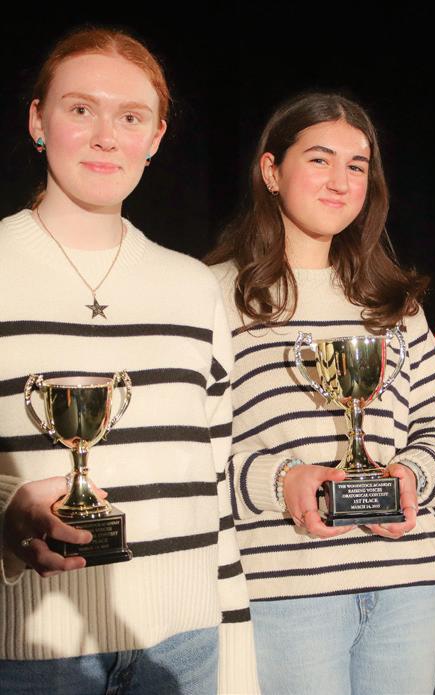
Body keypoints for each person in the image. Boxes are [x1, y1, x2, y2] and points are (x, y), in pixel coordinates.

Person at [0, 27, 257, 694]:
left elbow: (215, 484)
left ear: (156, 137)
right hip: (30, 653)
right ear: (37, 120)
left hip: (186, 647)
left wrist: (233, 658)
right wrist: (6, 513)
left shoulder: (192, 286)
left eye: (131, 117)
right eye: (81, 108)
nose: (106, 137)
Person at [207, 92, 435, 695]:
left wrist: (412, 477)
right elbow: (189, 449)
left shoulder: (393, 300)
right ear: (271, 170)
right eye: (319, 159)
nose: (340, 181)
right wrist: (281, 483)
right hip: (286, 589)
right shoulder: (213, 295)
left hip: (407, 584)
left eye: (357, 166)